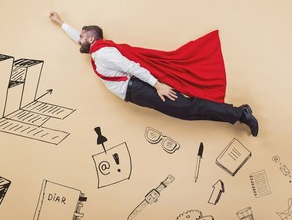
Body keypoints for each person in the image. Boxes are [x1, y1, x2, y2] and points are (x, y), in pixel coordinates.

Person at [49, 12, 259, 136]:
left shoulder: (102, 54)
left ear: (91, 40)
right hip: (137, 92)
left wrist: (157, 85)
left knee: (188, 108)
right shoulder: (98, 50)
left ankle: (241, 113)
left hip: (141, 88)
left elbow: (131, 67)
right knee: (187, 111)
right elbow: (79, 37)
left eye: (83, 37)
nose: (79, 40)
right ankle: (238, 114)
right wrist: (61, 23)